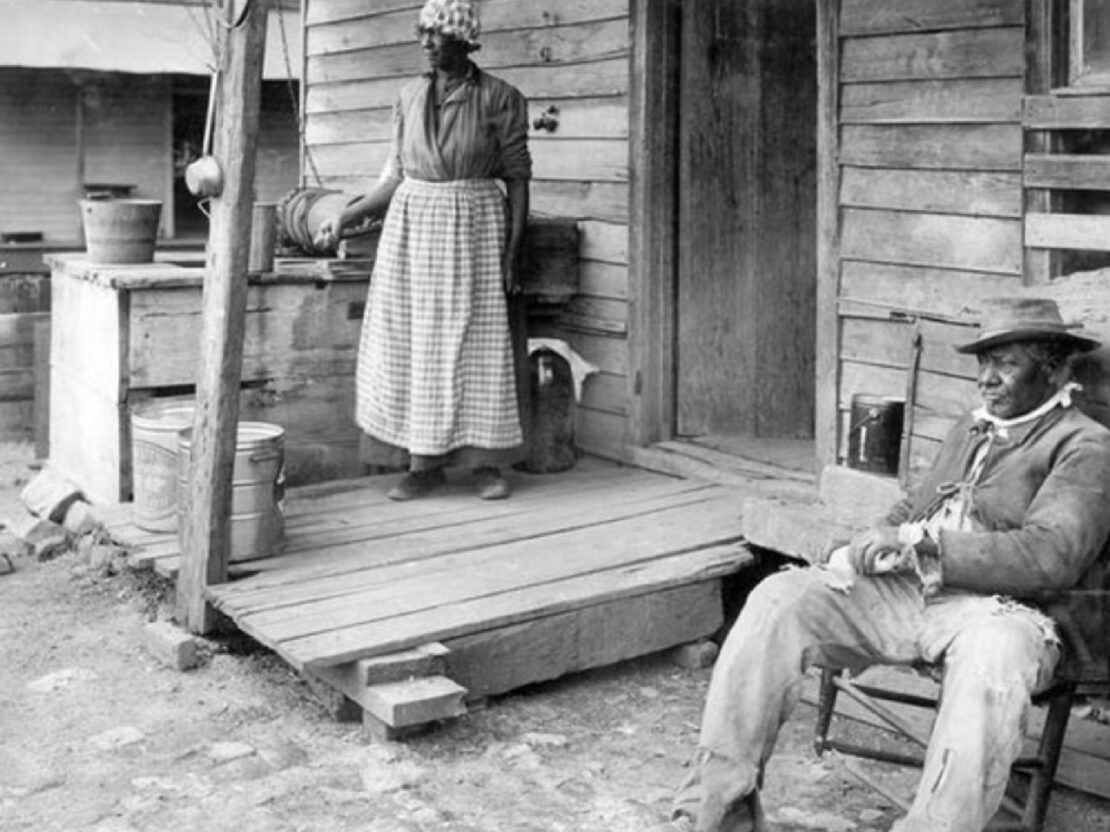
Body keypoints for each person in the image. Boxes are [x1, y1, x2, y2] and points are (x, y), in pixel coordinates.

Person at [651, 297, 1110, 832]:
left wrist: (923, 546)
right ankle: (714, 812)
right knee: (780, 599)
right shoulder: (974, 426)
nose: (986, 378)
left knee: (996, 651)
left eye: (1005, 363)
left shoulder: (1085, 445)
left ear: (1054, 368)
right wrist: (866, 544)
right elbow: (915, 506)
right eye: (983, 363)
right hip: (912, 592)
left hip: (1007, 610)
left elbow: (1050, 556)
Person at [314, 0, 531, 502]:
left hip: (474, 224)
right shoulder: (408, 95)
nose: (427, 43)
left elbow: (518, 178)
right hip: (412, 230)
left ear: (464, 39)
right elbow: (394, 178)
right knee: (412, 344)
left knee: (475, 342)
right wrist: (345, 216)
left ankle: (486, 464)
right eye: (423, 33)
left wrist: (512, 252)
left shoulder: (501, 97)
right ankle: (421, 464)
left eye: (437, 34)